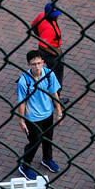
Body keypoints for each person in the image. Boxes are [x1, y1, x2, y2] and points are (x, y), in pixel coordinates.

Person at [16, 50, 62, 179]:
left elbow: (54, 93)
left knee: (48, 138)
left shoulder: (49, 75)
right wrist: (21, 120)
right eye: (33, 64)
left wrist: (59, 111)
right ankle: (24, 165)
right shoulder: (24, 81)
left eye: (39, 63)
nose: (37, 67)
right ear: (28, 65)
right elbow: (22, 101)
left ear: (43, 62)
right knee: (34, 142)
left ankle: (47, 159)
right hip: (32, 117)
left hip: (47, 113)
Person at [30, 3, 67, 86]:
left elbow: (33, 25)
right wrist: (56, 53)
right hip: (50, 52)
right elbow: (44, 46)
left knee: (48, 67)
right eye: (55, 15)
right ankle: (57, 96)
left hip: (45, 49)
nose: (57, 17)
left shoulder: (42, 15)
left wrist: (40, 36)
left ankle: (34, 75)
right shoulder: (49, 29)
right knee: (57, 74)